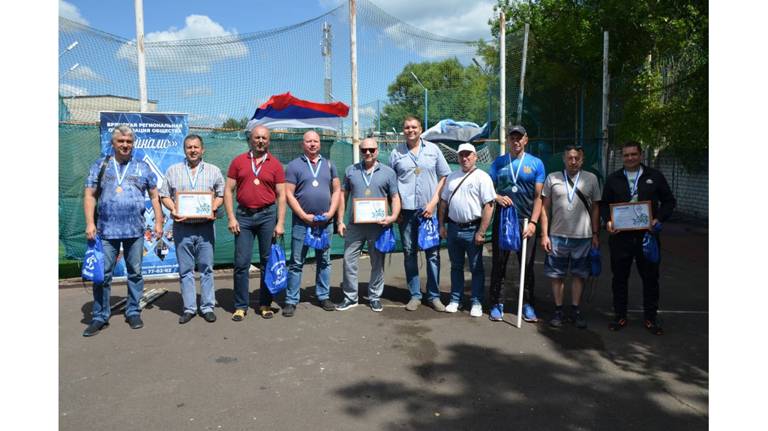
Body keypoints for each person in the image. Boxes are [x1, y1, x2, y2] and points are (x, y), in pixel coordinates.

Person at [82, 124, 164, 336]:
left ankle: (133, 310)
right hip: (106, 231)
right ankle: (100, 316)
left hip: (135, 231)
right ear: (113, 143)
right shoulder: (100, 165)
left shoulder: (142, 168)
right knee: (103, 275)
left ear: (133, 144)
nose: (125, 145)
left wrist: (159, 222)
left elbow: (155, 196)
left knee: (135, 273)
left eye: (129, 142)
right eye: (121, 141)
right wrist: (90, 223)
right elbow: (90, 195)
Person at [601, 141, 676, 335]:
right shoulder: (613, 179)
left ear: (640, 155)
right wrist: (608, 221)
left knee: (650, 278)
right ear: (622, 157)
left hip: (646, 237)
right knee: (619, 278)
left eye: (633, 154)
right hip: (621, 238)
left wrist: (659, 219)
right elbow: (604, 204)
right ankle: (620, 316)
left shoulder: (654, 177)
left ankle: (651, 318)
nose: (630, 158)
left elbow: (669, 201)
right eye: (626, 155)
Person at [160, 134, 225, 324]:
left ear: (202, 149)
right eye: (189, 147)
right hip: (182, 227)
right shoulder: (173, 170)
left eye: (196, 147)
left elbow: (221, 194)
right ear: (184, 150)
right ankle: (189, 308)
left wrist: (212, 206)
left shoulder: (213, 170)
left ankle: (207, 307)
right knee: (185, 270)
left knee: (206, 269)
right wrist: (174, 209)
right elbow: (164, 195)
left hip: (205, 227)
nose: (193, 150)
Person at [224, 125, 287, 321]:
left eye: (264, 138)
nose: (260, 141)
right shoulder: (238, 161)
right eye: (257, 138)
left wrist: (281, 223)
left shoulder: (275, 164)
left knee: (267, 262)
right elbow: (228, 191)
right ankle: (240, 306)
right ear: (251, 140)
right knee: (241, 263)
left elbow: (281, 195)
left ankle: (265, 303)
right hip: (243, 216)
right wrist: (231, 217)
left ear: (269, 141)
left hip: (268, 216)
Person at [389, 116, 451, 311]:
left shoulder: (433, 150)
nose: (410, 130)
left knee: (433, 254)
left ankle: (434, 296)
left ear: (420, 128)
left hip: (428, 212)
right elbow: (391, 183)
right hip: (406, 213)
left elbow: (444, 176)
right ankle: (415, 295)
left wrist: (433, 203)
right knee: (409, 253)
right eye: (407, 127)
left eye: (414, 127)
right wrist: (395, 210)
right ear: (403, 130)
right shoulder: (396, 153)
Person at [487, 125, 546, 323]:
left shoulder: (536, 164)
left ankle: (527, 304)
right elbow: (488, 189)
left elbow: (539, 197)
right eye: (512, 138)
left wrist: (533, 223)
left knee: (527, 265)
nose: (516, 141)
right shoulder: (499, 163)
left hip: (525, 222)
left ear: (526, 139)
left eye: (519, 137)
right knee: (499, 264)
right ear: (508, 140)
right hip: (504, 222)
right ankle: (497, 303)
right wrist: (497, 197)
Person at [335, 138, 401, 312]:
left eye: (371, 149)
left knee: (377, 262)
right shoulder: (351, 170)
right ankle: (350, 298)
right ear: (360, 151)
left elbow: (394, 197)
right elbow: (343, 196)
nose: (368, 153)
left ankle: (374, 297)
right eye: (364, 150)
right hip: (355, 226)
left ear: (377, 150)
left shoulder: (388, 172)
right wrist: (340, 220)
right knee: (349, 261)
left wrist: (393, 216)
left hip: (378, 226)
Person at [540, 145, 601, 328]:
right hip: (557, 235)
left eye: (577, 158)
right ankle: (558, 310)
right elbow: (544, 208)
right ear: (564, 159)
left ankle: (575, 310)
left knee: (578, 275)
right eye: (570, 158)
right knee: (557, 275)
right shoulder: (552, 178)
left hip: (583, 236)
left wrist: (595, 233)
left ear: (582, 160)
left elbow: (596, 207)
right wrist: (544, 234)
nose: (573, 161)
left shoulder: (591, 179)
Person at [283, 130, 341, 317]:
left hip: (325, 222)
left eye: (316, 141)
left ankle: (323, 296)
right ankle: (291, 300)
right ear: (303, 144)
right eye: (309, 141)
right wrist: (302, 214)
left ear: (320, 144)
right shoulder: (293, 166)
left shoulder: (330, 164)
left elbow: (337, 190)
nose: (313, 144)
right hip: (302, 223)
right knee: (296, 262)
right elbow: (288, 194)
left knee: (324, 261)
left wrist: (331, 213)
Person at [437, 143, 496, 317]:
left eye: (468, 155)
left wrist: (482, 231)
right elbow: (443, 203)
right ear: (458, 157)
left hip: (473, 229)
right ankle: (455, 299)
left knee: (476, 268)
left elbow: (489, 205)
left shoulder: (482, 177)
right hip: (454, 228)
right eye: (462, 155)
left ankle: (476, 302)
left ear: (475, 156)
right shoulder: (451, 177)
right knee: (456, 266)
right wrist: (441, 225)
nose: (465, 158)